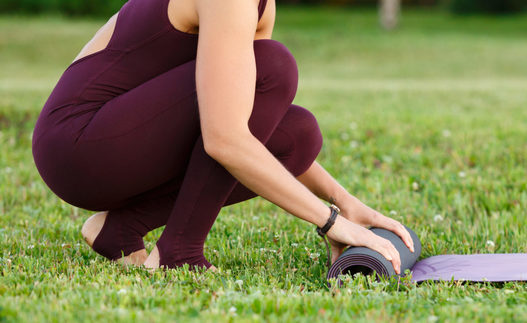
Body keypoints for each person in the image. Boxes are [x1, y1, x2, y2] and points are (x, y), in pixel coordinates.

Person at [31, 0, 414, 272]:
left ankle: (120, 228)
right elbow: (225, 138)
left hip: (120, 141)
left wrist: (344, 201)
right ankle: (177, 251)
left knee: (297, 135)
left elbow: (248, 118)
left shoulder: (261, 4)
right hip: (77, 146)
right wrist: (331, 222)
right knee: (274, 67)